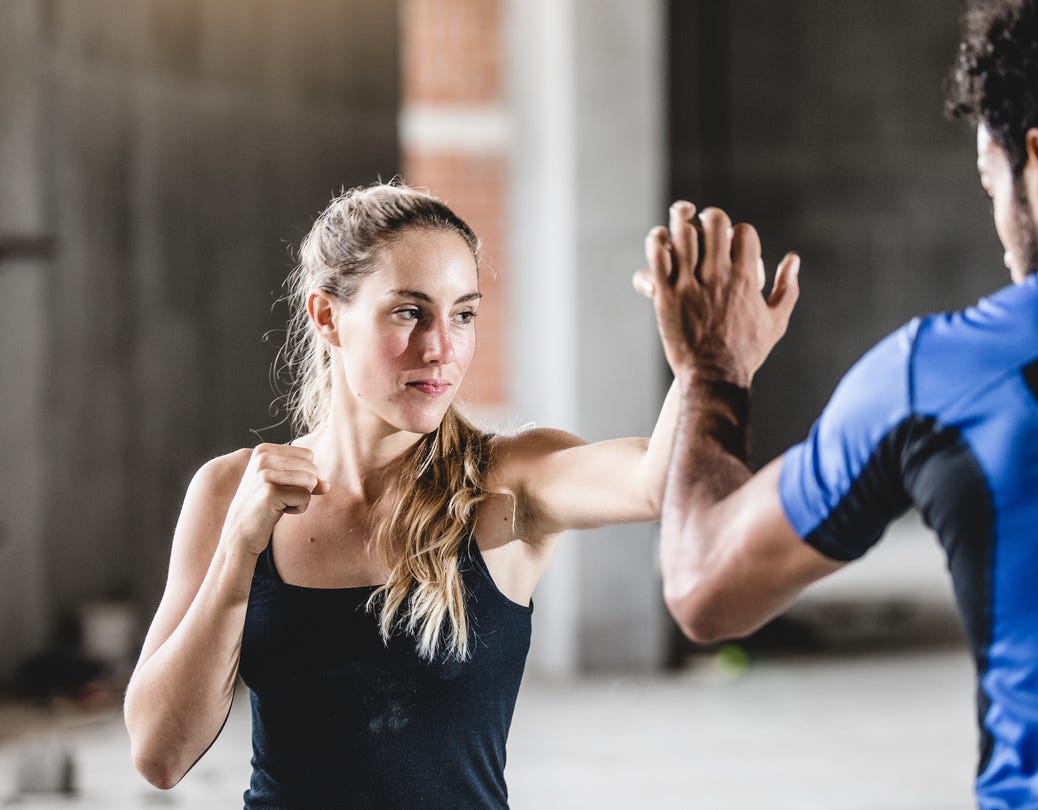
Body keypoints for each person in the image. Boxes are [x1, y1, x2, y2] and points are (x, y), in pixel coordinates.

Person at [639, 0, 1038, 807]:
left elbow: (703, 585)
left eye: (990, 182)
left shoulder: (944, 372)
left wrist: (713, 368)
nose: (1002, 231)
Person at [123, 181, 687, 808]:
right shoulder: (232, 491)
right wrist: (237, 553)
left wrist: (705, 366)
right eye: (409, 312)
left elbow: (659, 480)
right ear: (327, 315)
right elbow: (159, 754)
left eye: (464, 314)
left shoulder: (508, 481)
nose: (442, 348)